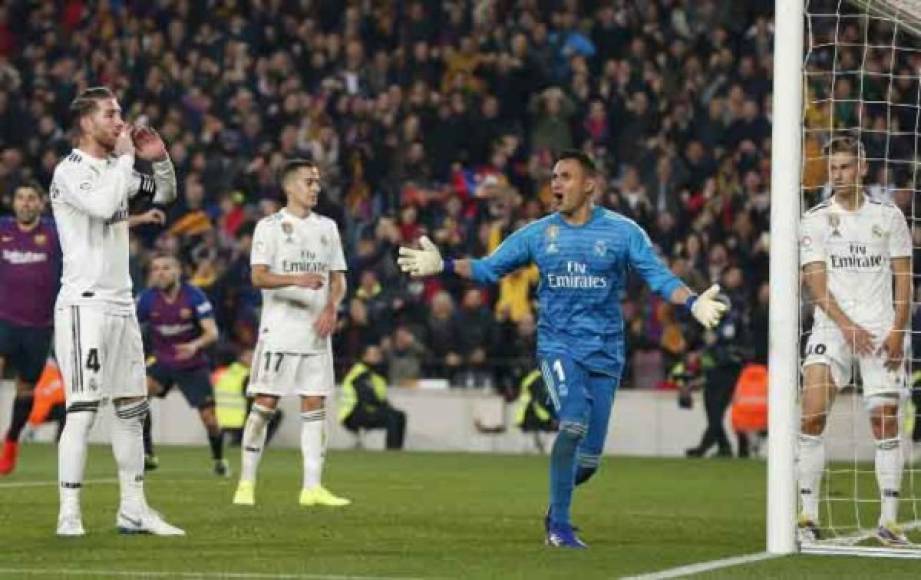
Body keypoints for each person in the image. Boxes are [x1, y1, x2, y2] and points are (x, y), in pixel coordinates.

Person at [397, 150, 727, 548]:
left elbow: (658, 277)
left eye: (566, 176)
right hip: (558, 347)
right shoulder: (538, 234)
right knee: (572, 421)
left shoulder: (623, 232)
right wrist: (444, 265)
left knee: (587, 463)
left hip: (606, 355)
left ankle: (557, 506)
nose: (556, 184)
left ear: (590, 184)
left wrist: (693, 301)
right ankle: (560, 527)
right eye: (554, 177)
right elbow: (488, 268)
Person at [49, 86, 183, 536]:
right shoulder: (71, 172)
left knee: (132, 408)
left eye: (121, 113)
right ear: (86, 123)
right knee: (84, 411)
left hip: (121, 304)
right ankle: (69, 513)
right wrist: (127, 159)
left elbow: (165, 194)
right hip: (84, 306)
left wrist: (159, 157)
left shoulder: (116, 168)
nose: (119, 121)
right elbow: (105, 203)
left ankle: (133, 509)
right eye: (110, 114)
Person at [797, 136, 912, 546]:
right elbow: (816, 286)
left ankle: (889, 521)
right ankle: (807, 517)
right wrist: (846, 327)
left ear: (862, 168)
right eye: (833, 168)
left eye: (845, 167)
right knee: (811, 414)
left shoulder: (888, 216)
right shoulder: (815, 219)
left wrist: (899, 331)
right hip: (834, 327)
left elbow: (903, 277)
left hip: (882, 327)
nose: (838, 175)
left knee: (885, 422)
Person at [232, 158, 350, 508]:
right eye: (308, 182)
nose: (316, 187)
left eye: (317, 182)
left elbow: (338, 278)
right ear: (289, 187)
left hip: (317, 332)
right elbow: (258, 276)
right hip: (281, 331)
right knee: (265, 403)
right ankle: (246, 482)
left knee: (315, 404)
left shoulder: (328, 227)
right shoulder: (269, 227)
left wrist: (332, 307)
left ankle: (312, 487)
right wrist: (296, 279)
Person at [136, 253, 224, 475]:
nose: (160, 273)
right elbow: (131, 327)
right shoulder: (146, 299)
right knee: (139, 395)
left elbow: (212, 332)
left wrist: (194, 345)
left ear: (178, 272)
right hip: (162, 361)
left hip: (192, 363)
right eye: (155, 268)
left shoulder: (194, 296)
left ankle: (218, 459)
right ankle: (148, 454)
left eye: (166, 268)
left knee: (210, 420)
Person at [0, 183, 61, 474]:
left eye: (31, 199)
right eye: (20, 198)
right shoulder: (2, 229)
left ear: (41, 204)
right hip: (3, 320)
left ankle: (11, 440)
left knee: (25, 389)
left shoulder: (54, 234)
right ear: (13, 203)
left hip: (40, 327)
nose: (25, 203)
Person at [339, 344, 407, 450]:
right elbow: (367, 397)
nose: (378, 357)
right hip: (353, 413)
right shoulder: (360, 373)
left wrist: (388, 408)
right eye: (374, 354)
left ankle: (397, 450)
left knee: (399, 416)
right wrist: (385, 409)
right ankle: (392, 451)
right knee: (392, 417)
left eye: (379, 354)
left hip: (366, 409)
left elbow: (380, 398)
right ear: (364, 357)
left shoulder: (374, 374)